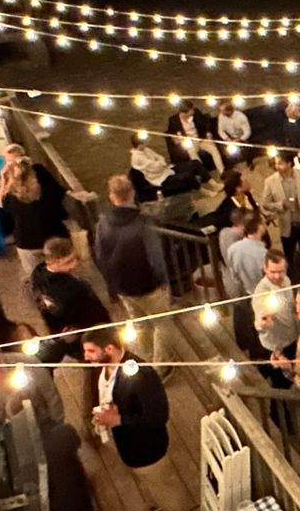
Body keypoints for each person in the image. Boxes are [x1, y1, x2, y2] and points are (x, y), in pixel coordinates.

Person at [82, 337, 196, 511]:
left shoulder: (142, 375)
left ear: (109, 348)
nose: (86, 357)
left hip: (148, 447)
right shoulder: (104, 367)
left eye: (91, 351)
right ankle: (157, 501)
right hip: (128, 444)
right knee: (152, 484)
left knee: (165, 487)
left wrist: (119, 419)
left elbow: (158, 416)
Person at [93, 175, 171, 357]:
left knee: (139, 323)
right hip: (147, 284)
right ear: (132, 193)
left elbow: (99, 255)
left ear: (112, 196)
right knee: (162, 324)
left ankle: (146, 356)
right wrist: (163, 281)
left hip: (122, 285)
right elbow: (155, 258)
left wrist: (112, 282)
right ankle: (161, 366)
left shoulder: (102, 222)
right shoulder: (143, 222)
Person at [30, 235, 112, 359]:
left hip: (62, 334)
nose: (74, 264)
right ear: (53, 261)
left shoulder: (37, 275)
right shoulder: (72, 289)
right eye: (68, 261)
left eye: (75, 259)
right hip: (85, 336)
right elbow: (92, 313)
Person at [0, 157, 72, 278]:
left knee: (36, 277)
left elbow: (0, 204)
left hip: (26, 242)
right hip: (54, 238)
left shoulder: (10, 198)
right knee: (64, 273)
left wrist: (4, 180)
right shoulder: (46, 192)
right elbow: (59, 196)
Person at [260, 154, 300, 257]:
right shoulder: (270, 181)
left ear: (289, 164)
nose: (277, 166)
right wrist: (281, 204)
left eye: (280, 164)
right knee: (289, 256)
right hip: (286, 226)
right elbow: (265, 204)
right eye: (276, 163)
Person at [251, 250, 298, 372]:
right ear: (265, 269)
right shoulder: (261, 292)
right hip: (277, 347)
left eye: (281, 271)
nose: (277, 276)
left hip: (292, 337)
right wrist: (263, 324)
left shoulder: (286, 280)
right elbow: (259, 322)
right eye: (273, 272)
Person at [129, 132, 204, 201]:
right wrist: (159, 163)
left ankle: (209, 182)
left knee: (194, 163)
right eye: (144, 142)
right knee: (187, 176)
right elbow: (155, 168)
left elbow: (160, 158)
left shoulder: (146, 150)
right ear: (140, 145)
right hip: (159, 179)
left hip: (166, 170)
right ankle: (202, 190)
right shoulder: (137, 158)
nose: (146, 143)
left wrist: (159, 162)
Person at [223, 211, 269, 299]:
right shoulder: (263, 253)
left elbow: (235, 276)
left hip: (245, 293)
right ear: (260, 227)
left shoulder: (233, 249)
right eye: (264, 223)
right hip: (264, 296)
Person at [163, 100, 216, 166]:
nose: (193, 112)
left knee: (214, 150)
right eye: (191, 111)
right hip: (190, 142)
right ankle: (203, 172)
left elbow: (206, 122)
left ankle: (222, 172)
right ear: (185, 113)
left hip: (201, 139)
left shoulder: (196, 112)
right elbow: (171, 133)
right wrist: (175, 138)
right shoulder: (173, 120)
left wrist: (208, 133)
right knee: (192, 152)